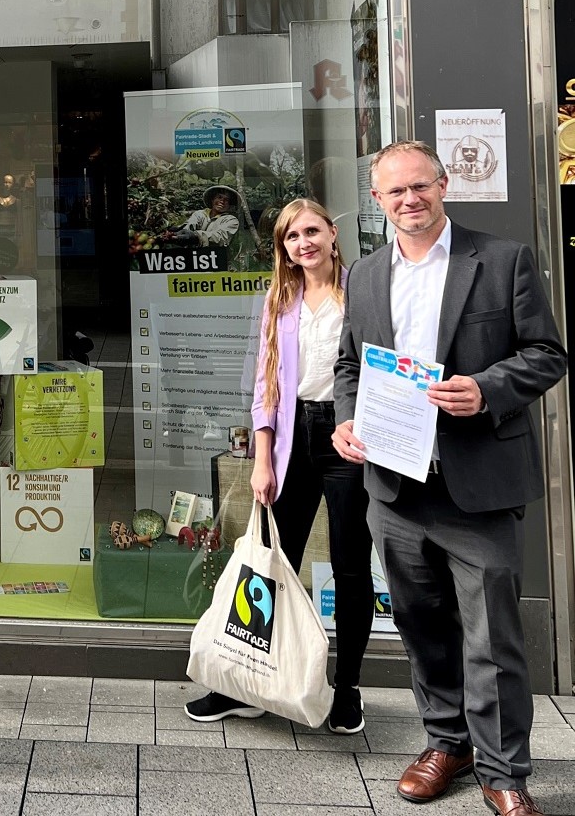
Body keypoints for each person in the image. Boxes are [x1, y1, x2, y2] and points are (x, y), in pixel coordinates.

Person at [333, 141, 566, 816]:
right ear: (377, 201)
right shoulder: (367, 275)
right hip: (396, 485)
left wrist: (487, 389)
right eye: (394, 192)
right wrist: (345, 422)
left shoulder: (502, 260)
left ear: (443, 185)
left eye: (420, 186)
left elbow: (546, 354)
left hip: (478, 484)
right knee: (420, 624)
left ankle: (503, 771)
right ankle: (446, 742)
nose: (409, 200)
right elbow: (350, 367)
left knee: (492, 634)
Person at [184, 198, 374, 734]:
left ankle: (348, 688)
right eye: (292, 237)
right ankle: (244, 684)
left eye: (312, 231)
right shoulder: (277, 298)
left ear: (332, 234)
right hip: (291, 439)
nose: (303, 244)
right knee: (269, 565)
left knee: (351, 564)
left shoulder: (360, 292)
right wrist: (261, 457)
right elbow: (266, 387)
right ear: (282, 247)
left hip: (347, 438)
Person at [173, 185, 240, 247]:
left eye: (227, 200)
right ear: (212, 199)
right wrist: (177, 232)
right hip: (194, 256)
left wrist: (197, 237)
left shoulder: (231, 220)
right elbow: (190, 225)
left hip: (215, 256)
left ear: (229, 205)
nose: (222, 201)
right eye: (219, 197)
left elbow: (221, 238)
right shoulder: (199, 214)